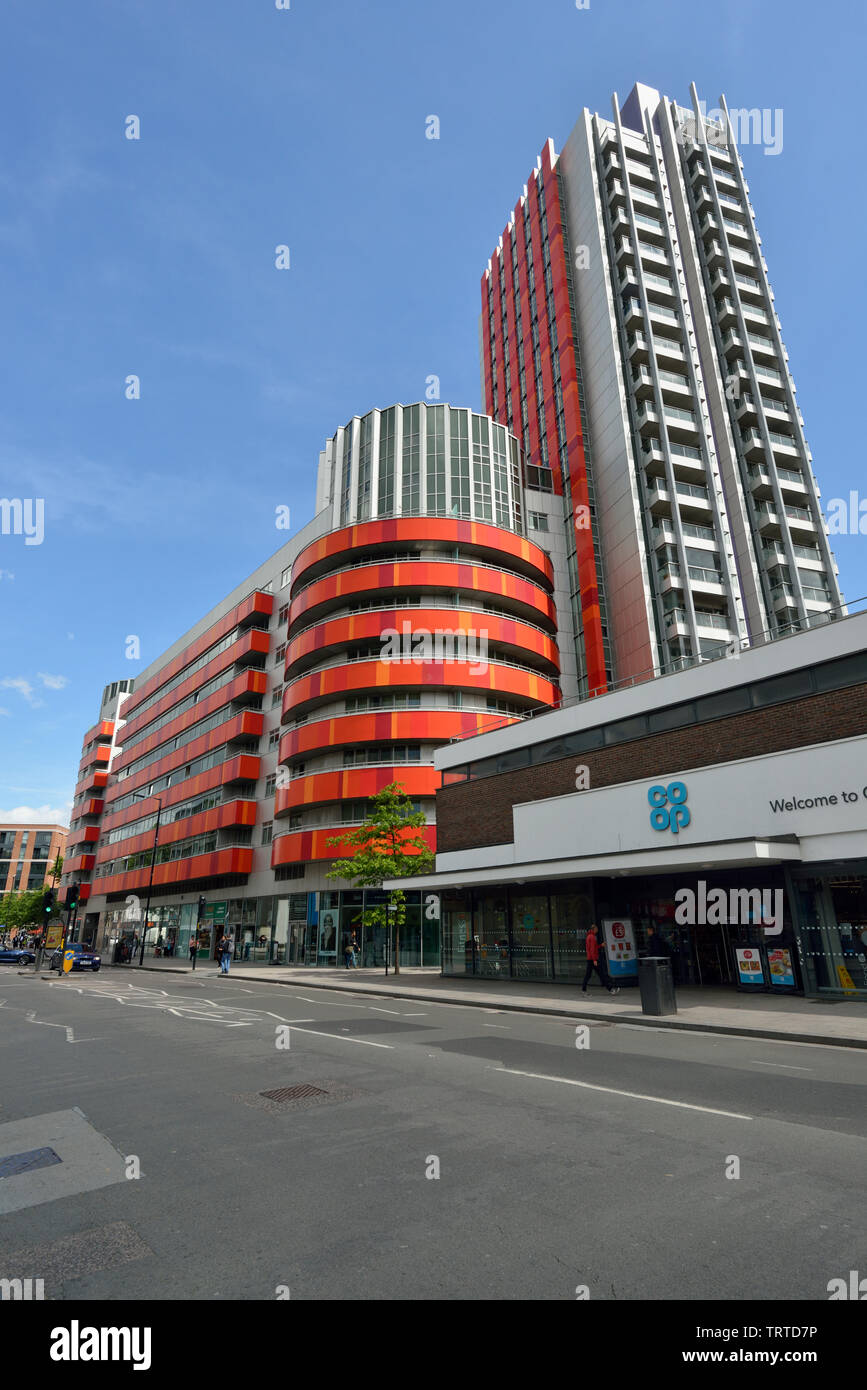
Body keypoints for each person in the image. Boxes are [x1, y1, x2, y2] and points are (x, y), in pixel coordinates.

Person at [582, 923, 620, 995]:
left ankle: (584, 989)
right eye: (596, 929)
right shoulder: (592, 937)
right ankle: (610, 989)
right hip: (593, 959)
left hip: (590, 959)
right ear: (594, 929)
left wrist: (600, 945)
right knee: (601, 974)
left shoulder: (588, 936)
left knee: (589, 975)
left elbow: (593, 948)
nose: (597, 930)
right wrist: (594, 960)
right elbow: (592, 949)